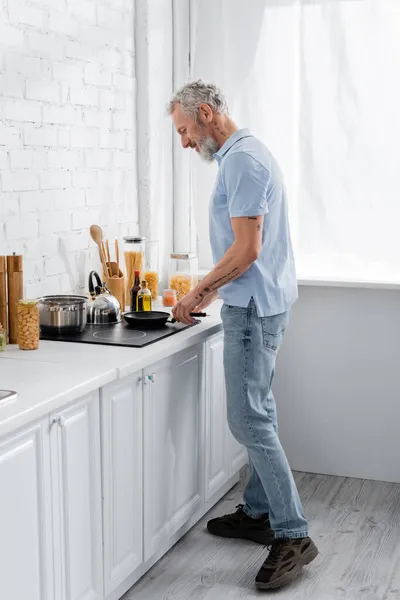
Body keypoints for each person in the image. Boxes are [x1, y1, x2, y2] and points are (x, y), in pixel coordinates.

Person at [168, 80, 318, 590]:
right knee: (260, 412)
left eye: (185, 131)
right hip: (258, 303)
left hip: (253, 309)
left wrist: (196, 293)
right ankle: (258, 512)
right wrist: (212, 292)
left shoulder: (241, 160)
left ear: (206, 114)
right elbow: (246, 249)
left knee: (248, 419)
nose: (185, 143)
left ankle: (293, 534)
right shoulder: (245, 153)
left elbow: (247, 249)